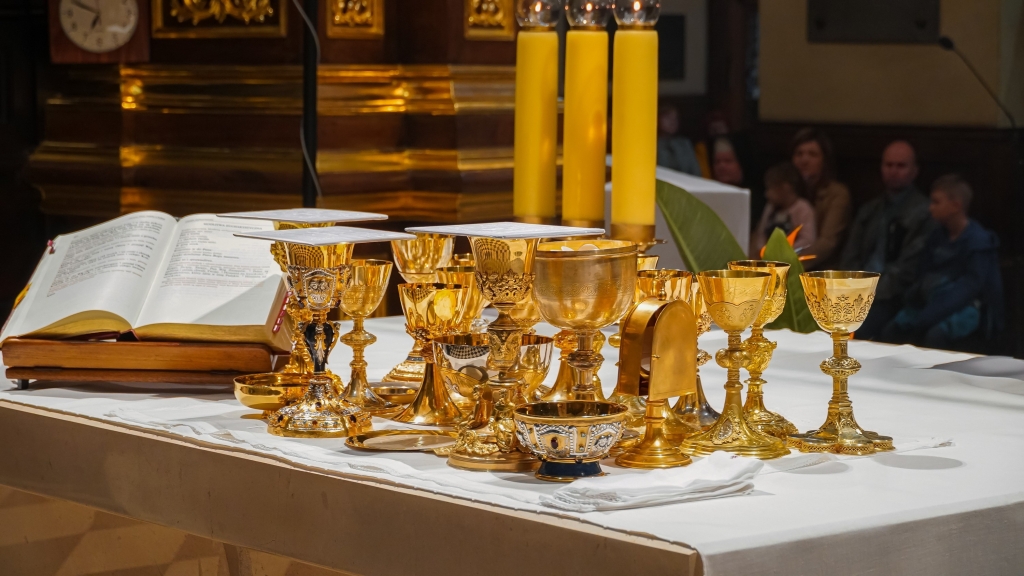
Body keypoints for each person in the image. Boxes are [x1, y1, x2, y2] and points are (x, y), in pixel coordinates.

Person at [881, 176, 1003, 349]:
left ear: (956, 205)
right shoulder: (937, 236)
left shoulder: (978, 242)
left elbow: (969, 288)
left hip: (965, 307)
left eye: (936, 202)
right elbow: (923, 273)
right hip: (931, 300)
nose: (930, 208)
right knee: (892, 330)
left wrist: (932, 313)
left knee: (934, 335)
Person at [841, 140, 935, 340]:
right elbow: (850, 255)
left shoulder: (925, 213)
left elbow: (908, 269)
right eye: (889, 165)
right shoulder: (870, 210)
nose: (893, 171)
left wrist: (869, 292)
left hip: (893, 296)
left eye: (901, 166)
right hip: (856, 290)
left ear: (914, 171)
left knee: (858, 328)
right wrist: (850, 286)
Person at [790, 128, 851, 270]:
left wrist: (790, 264)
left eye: (812, 154)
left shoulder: (837, 193)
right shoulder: (786, 191)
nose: (804, 160)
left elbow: (827, 243)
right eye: (799, 154)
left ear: (824, 160)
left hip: (821, 270)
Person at [750, 162, 817, 257]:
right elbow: (761, 233)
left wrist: (782, 251)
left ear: (785, 188)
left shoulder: (803, 208)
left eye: (770, 188)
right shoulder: (770, 207)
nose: (766, 194)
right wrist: (762, 250)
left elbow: (807, 240)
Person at [656, 105, 702, 176]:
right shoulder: (652, 144)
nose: (672, 122)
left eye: (675, 118)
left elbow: (696, 171)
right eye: (668, 117)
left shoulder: (685, 143)